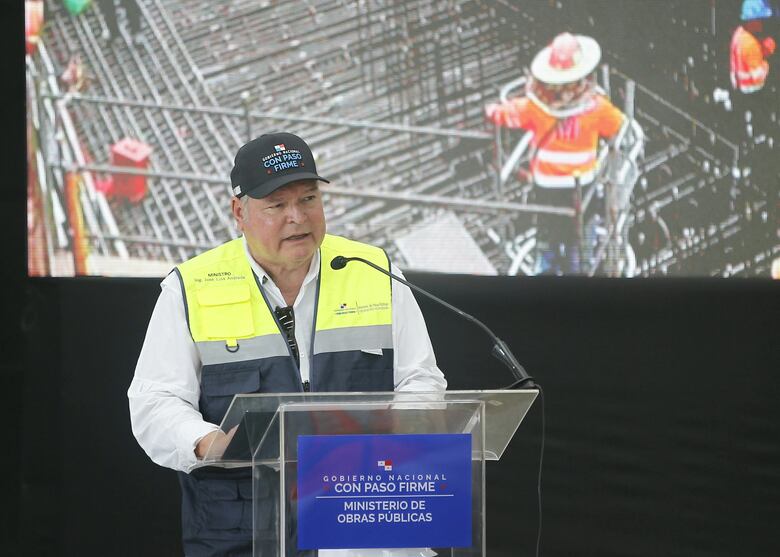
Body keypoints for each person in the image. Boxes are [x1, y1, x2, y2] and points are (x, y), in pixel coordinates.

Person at [128, 132, 446, 556]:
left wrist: (390, 440)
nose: (297, 217)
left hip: (364, 518)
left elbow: (422, 379)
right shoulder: (191, 287)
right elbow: (154, 401)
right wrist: (207, 442)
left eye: (309, 199)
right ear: (239, 212)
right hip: (244, 528)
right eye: (277, 205)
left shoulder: (374, 271)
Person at [485, 33, 626, 274]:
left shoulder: (534, 107)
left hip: (546, 186)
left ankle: (544, 272)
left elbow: (505, 114)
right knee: (580, 235)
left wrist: (492, 110)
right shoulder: (597, 109)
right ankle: (578, 275)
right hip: (582, 188)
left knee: (548, 230)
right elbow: (619, 126)